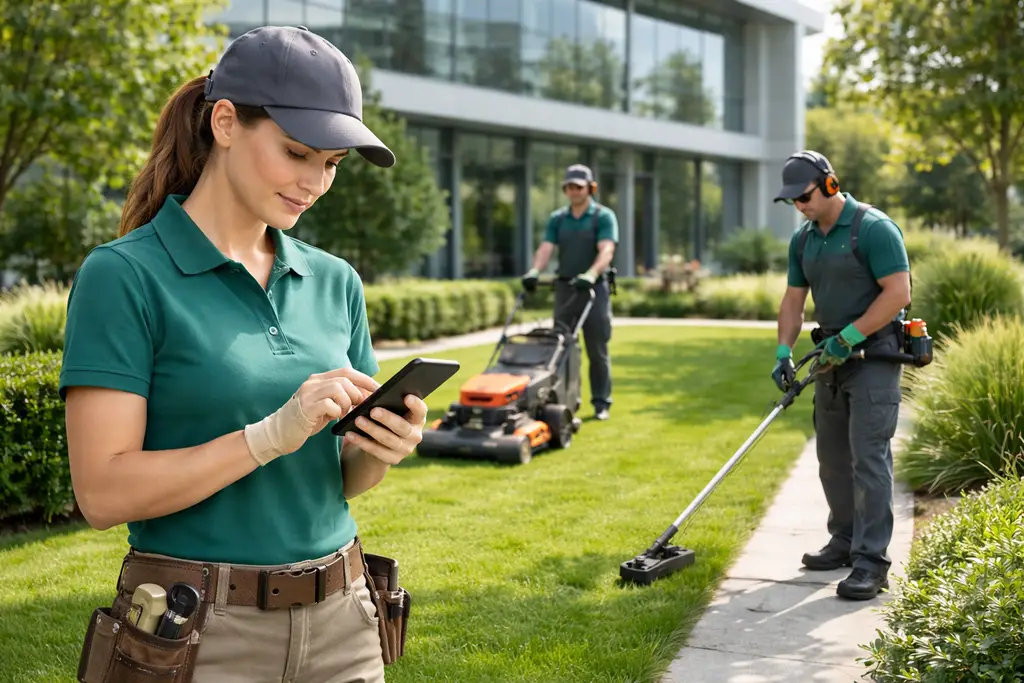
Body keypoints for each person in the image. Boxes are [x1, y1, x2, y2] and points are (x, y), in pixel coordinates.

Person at [60, 26, 424, 682]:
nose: (316, 182)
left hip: (345, 621)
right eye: (297, 153)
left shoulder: (336, 281)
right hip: (199, 634)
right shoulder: (125, 276)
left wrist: (377, 447)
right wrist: (266, 436)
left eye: (333, 164)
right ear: (225, 122)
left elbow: (343, 479)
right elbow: (102, 491)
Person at [771, 150, 911, 601]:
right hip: (830, 359)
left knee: (869, 460)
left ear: (830, 185)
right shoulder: (804, 239)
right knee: (832, 458)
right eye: (792, 201)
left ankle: (873, 562)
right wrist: (783, 351)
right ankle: (845, 540)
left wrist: (849, 336)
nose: (800, 206)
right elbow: (794, 300)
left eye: (805, 196)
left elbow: (898, 293)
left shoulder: (873, 228)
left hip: (874, 358)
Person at [521, 164, 619, 421]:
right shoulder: (558, 218)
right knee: (562, 349)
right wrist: (534, 270)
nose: (574, 190)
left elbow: (606, 250)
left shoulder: (603, 216)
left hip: (593, 290)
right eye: (570, 186)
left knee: (597, 350)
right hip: (566, 289)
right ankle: (565, 402)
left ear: (590, 188)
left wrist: (592, 274)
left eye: (579, 186)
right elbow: (546, 248)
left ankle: (601, 403)